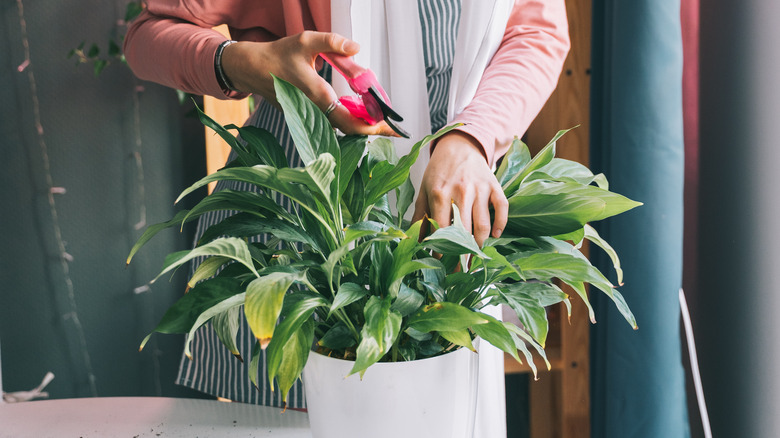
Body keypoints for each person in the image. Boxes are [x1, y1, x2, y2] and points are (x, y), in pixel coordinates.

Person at [124, 1, 569, 436]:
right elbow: (149, 32)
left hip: (452, 200)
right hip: (305, 219)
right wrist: (242, 62)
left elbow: (538, 29)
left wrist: (474, 136)